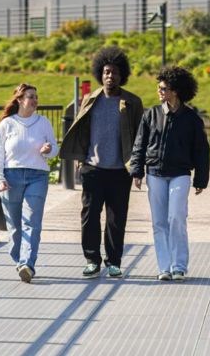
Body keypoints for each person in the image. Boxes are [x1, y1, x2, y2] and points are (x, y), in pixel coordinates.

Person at [60, 46, 144, 279]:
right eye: (106, 71)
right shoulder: (90, 99)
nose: (110, 76)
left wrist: (137, 168)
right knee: (89, 217)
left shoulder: (132, 102)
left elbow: (140, 135)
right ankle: (92, 260)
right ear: (101, 73)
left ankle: (114, 262)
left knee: (116, 220)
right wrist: (79, 158)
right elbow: (80, 129)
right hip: (93, 168)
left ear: (122, 75)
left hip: (120, 170)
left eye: (115, 72)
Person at [130, 66, 210, 282]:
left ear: (175, 91)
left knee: (176, 217)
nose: (160, 91)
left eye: (164, 88)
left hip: (180, 174)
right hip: (154, 173)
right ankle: (164, 267)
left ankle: (179, 266)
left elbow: (202, 150)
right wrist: (136, 170)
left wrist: (201, 179)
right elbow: (140, 144)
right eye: (159, 87)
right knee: (159, 222)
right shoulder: (151, 114)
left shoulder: (192, 119)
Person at [0, 83, 58, 283]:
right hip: (11, 177)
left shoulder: (44, 122)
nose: (35, 100)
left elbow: (55, 148)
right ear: (20, 100)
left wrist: (49, 149)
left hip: (38, 176)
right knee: (14, 225)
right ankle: (19, 260)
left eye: (36, 97)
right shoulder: (7, 124)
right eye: (31, 96)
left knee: (32, 221)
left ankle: (27, 263)